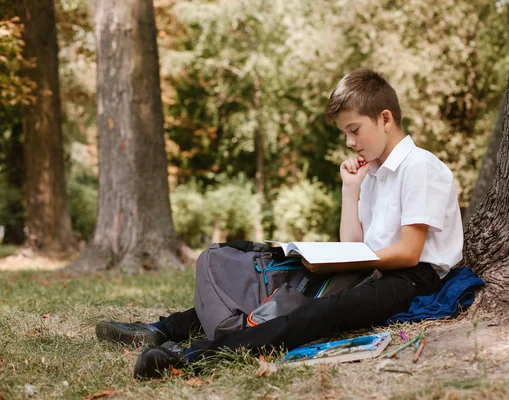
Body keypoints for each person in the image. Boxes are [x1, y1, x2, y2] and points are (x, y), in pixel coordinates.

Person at [96, 68, 463, 379]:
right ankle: (160, 330)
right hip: (373, 266)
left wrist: (350, 262)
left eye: (354, 130)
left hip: (412, 278)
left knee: (320, 311)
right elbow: (354, 241)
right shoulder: (375, 174)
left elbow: (410, 252)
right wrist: (350, 191)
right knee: (278, 285)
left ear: (385, 118)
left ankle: (195, 358)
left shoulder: (421, 168)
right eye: (345, 134)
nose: (350, 142)